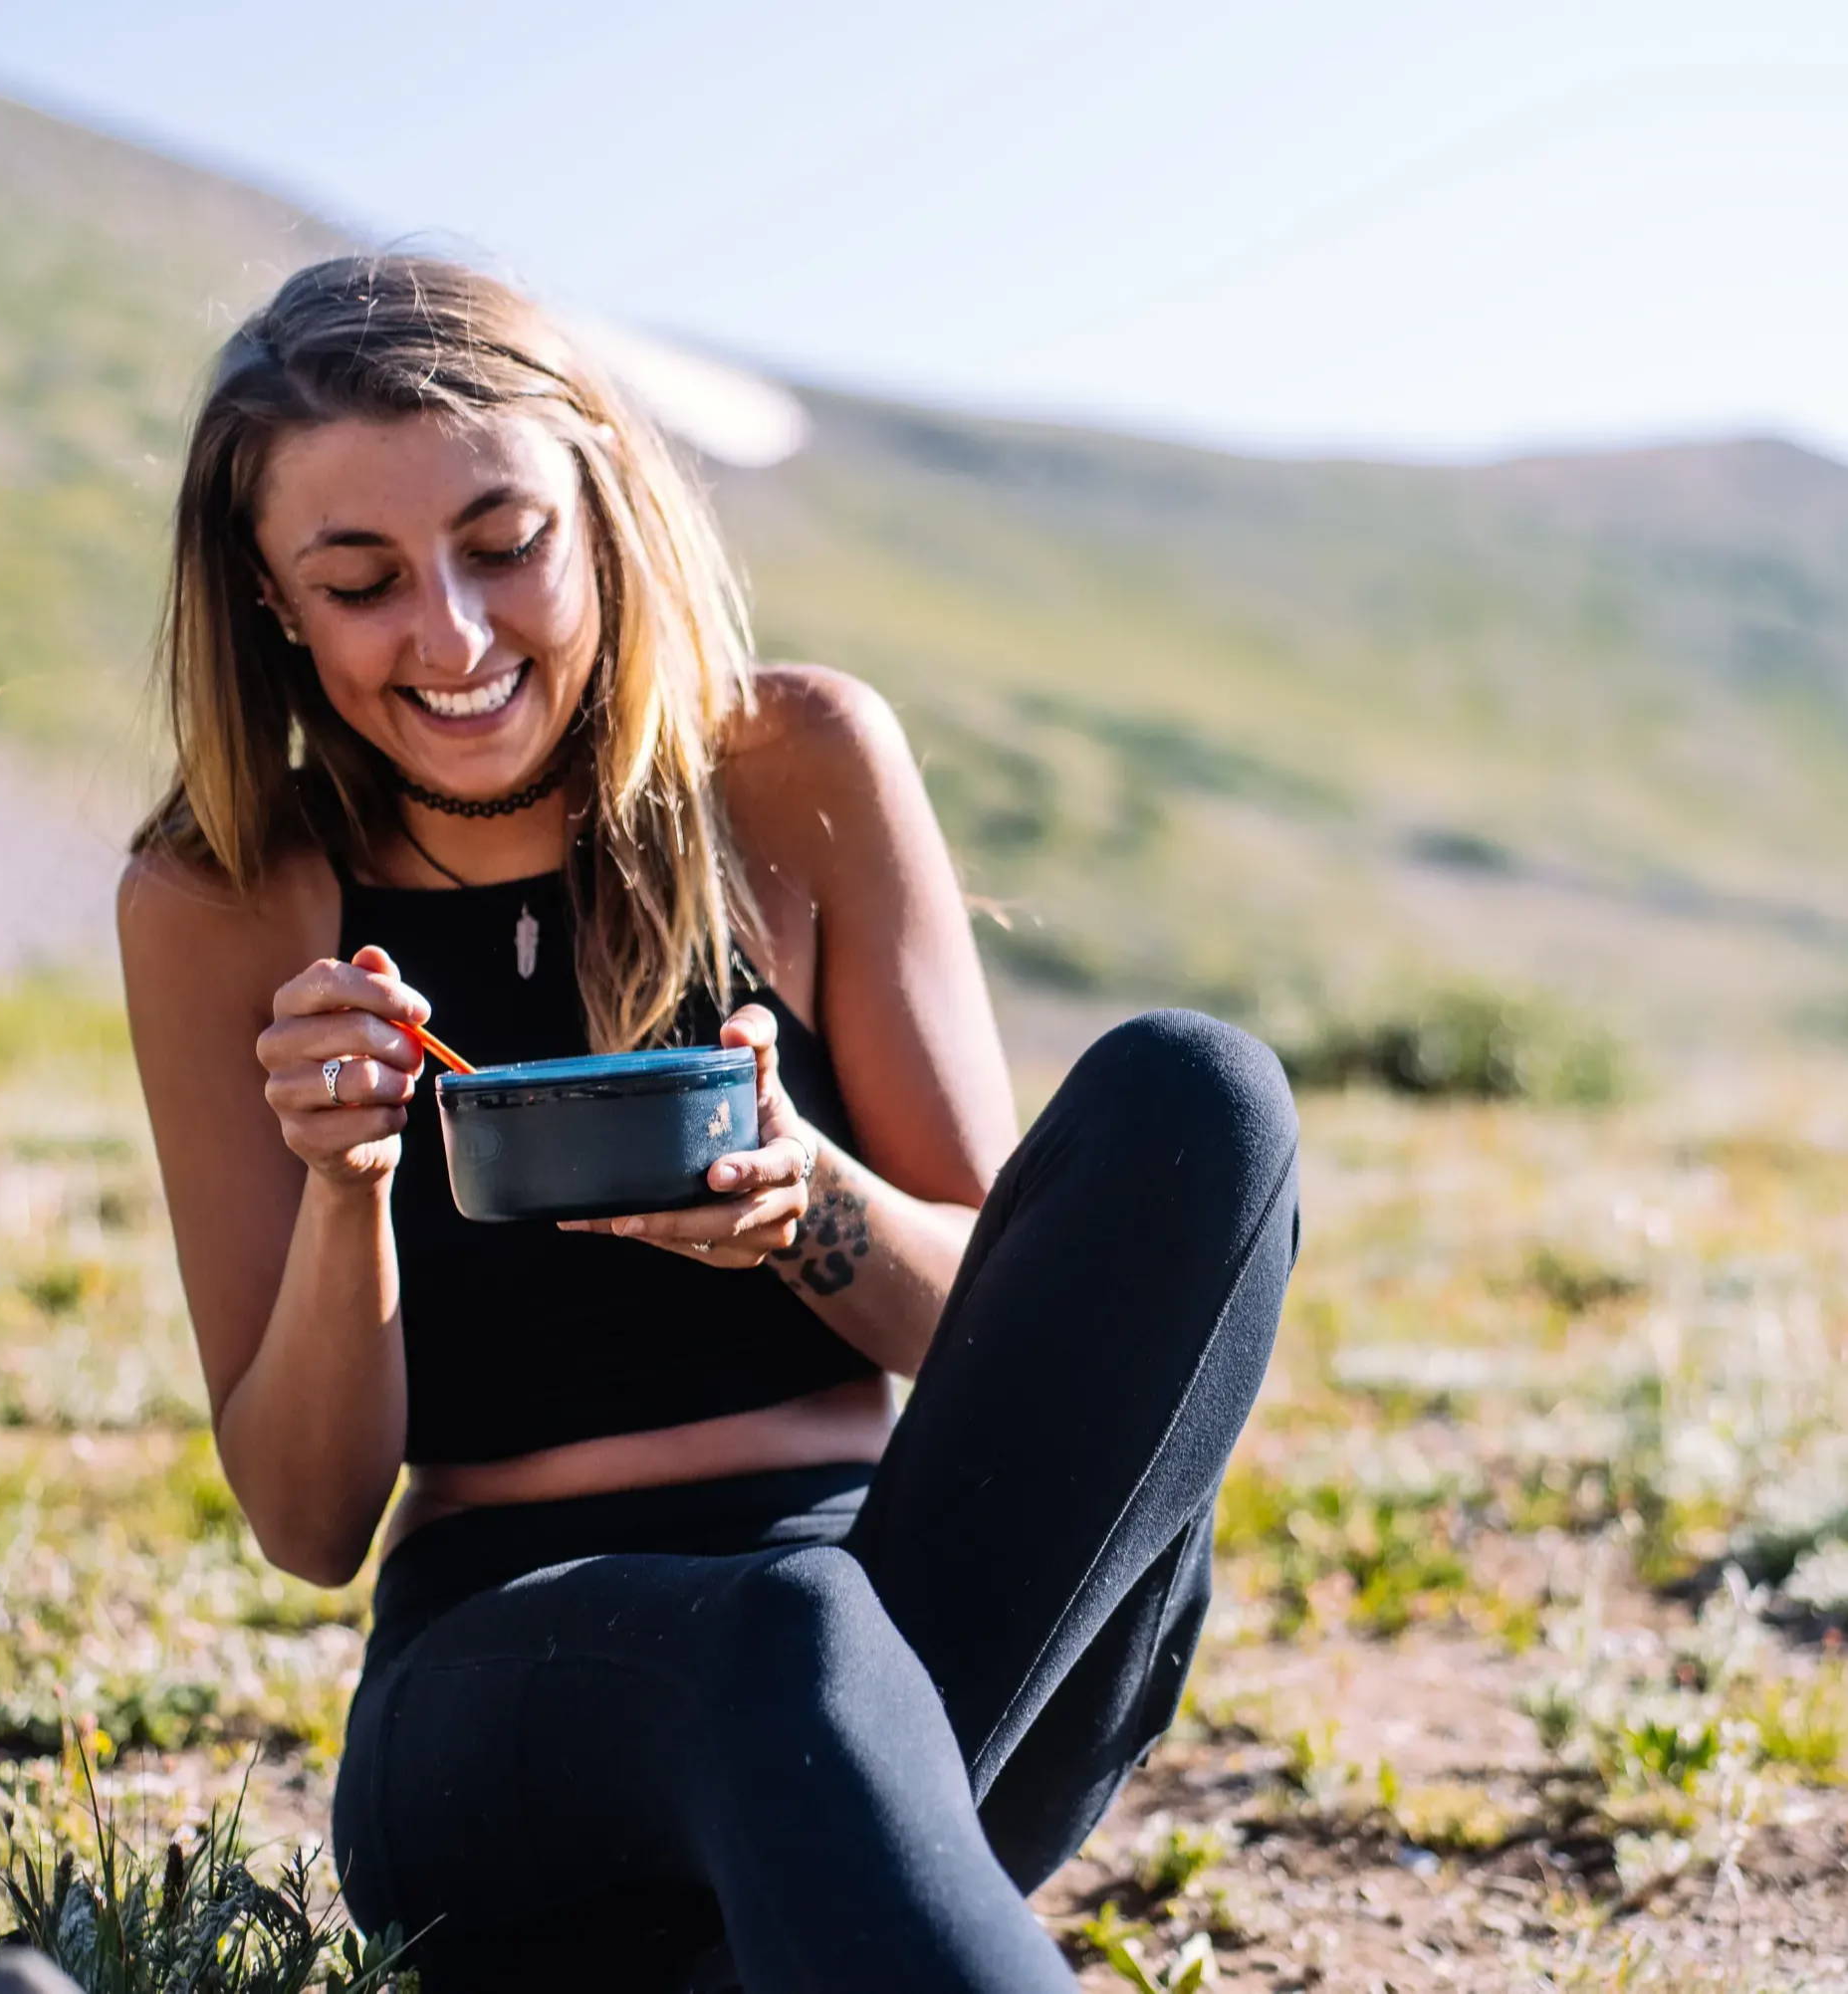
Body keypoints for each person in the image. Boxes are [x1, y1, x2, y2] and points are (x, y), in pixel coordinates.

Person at [116, 256, 1300, 1994]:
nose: (448, 636)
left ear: (601, 512)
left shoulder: (794, 767)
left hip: (926, 1624)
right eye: (359, 582)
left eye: (504, 544)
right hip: (507, 1708)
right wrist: (342, 1183)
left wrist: (805, 1205)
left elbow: (1001, 1338)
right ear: (274, 608)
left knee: (1196, 1102)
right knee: (781, 1642)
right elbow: (306, 1519)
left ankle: (797, 1931)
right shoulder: (224, 896)